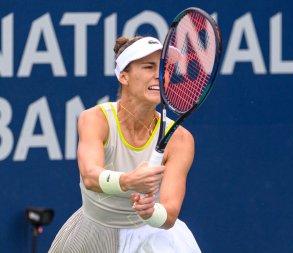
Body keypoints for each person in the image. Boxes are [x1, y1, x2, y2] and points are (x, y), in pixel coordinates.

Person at [48, 35, 201, 253]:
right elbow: (90, 176)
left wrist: (152, 213)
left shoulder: (180, 139)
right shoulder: (95, 119)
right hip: (93, 233)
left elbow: (170, 214)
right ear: (124, 76)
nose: (160, 75)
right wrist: (129, 180)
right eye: (149, 67)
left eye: (164, 69)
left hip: (152, 238)